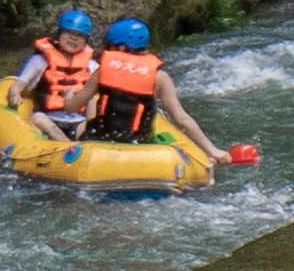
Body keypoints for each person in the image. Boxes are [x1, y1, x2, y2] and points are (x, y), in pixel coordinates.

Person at [85, 17, 223, 170]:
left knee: (92, 107)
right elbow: (182, 119)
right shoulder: (160, 77)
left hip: (100, 148)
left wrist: (69, 97)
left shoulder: (102, 71)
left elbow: (73, 106)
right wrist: (212, 150)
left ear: (121, 48)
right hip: (141, 147)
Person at [9, 7, 99, 135]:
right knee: (37, 118)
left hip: (79, 121)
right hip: (48, 118)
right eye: (69, 33)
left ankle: (88, 141)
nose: (73, 38)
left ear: (86, 41)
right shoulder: (40, 60)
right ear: (59, 34)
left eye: (80, 35)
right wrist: (15, 94)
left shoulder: (92, 65)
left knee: (92, 100)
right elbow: (18, 85)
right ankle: (66, 144)